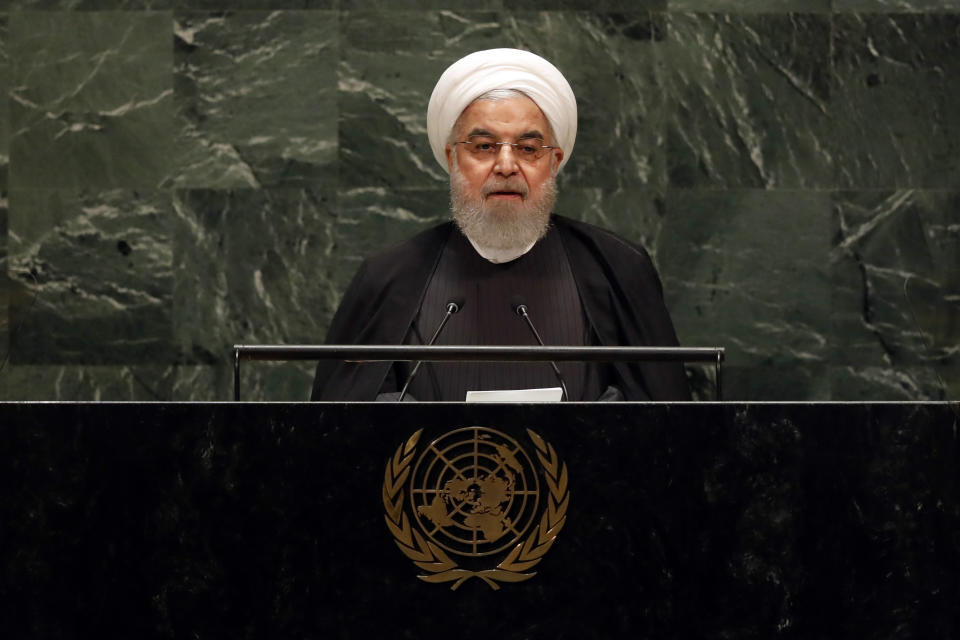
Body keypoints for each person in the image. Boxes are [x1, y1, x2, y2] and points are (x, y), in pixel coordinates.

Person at [311, 49, 690, 401]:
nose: (506, 166)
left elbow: (667, 428)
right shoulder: (387, 278)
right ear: (452, 158)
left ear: (554, 162)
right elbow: (339, 435)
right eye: (484, 146)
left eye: (528, 149)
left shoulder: (617, 268)